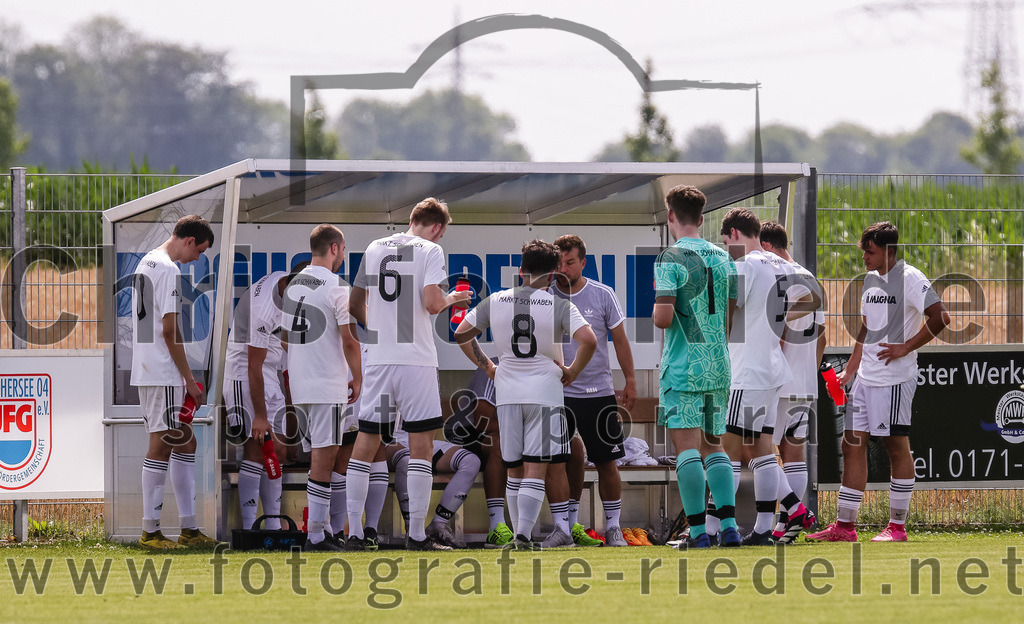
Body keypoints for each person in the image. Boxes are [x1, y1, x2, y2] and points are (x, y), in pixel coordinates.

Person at [807, 222, 949, 543]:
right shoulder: (870, 280)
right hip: (865, 380)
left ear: (889, 251)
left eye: (869, 252)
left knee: (895, 446)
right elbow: (866, 328)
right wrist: (850, 371)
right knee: (851, 444)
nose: (864, 258)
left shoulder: (911, 278)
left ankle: (897, 527)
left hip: (894, 380)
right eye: (863, 252)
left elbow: (941, 317)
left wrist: (905, 347)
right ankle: (845, 526)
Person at [346, 198, 472, 551]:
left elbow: (354, 304)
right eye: (442, 233)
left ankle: (353, 533)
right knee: (421, 446)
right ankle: (416, 535)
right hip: (415, 361)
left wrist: (380, 329)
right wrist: (454, 299)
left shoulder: (374, 247)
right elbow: (433, 303)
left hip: (380, 360)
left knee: (365, 444)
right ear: (437, 227)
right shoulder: (431, 250)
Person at [456, 239, 596, 550]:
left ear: (521, 270)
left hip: (507, 392)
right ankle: (522, 536)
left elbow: (461, 333)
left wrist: (489, 366)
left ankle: (521, 535)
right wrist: (572, 370)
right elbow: (589, 340)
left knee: (514, 467)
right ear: (553, 274)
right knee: (536, 466)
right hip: (544, 393)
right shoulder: (559, 305)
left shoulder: (496, 300)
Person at [651, 186, 741, 550]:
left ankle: (700, 532)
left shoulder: (670, 257)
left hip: (683, 365)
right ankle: (730, 527)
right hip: (717, 363)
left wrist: (659, 305)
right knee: (714, 446)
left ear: (670, 216)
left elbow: (662, 318)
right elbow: (730, 318)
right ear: (702, 219)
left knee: (687, 449)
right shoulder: (725, 258)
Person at [131, 214, 219, 549]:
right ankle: (150, 531)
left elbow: (159, 325)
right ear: (190, 240)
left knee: (186, 443)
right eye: (200, 251)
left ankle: (189, 529)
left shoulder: (146, 262)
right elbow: (169, 331)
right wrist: (189, 379)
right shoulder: (168, 268)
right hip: (162, 371)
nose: (197, 258)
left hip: (150, 367)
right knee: (161, 443)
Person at [546, 234, 637, 548]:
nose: (563, 269)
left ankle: (613, 528)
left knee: (606, 462)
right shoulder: (544, 295)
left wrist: (631, 380)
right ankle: (564, 528)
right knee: (557, 462)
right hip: (557, 394)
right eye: (559, 263)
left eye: (570, 262)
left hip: (598, 393)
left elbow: (620, 340)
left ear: (583, 263)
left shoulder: (603, 294)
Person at [280, 224, 362, 551]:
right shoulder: (337, 286)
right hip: (326, 385)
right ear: (334, 248)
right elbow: (350, 340)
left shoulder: (293, 285)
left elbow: (285, 339)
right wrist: (358, 377)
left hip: (301, 385)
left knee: (320, 458)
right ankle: (315, 534)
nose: (343, 256)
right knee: (323, 461)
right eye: (343, 249)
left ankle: (323, 528)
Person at [223, 262, 307, 533]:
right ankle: (251, 529)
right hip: (243, 373)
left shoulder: (288, 284)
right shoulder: (263, 306)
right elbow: (253, 365)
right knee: (257, 449)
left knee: (278, 450)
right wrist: (259, 416)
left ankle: (272, 525)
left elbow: (285, 346)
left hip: (268, 372)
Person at [758, 221, 824, 543]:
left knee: (759, 449)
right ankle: (786, 526)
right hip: (805, 380)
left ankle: (790, 513)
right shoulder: (809, 277)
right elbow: (822, 335)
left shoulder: (779, 277)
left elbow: (779, 330)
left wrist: (776, 367)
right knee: (793, 452)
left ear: (766, 246)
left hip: (780, 380)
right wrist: (809, 370)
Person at [446, 361, 515, 548]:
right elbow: (482, 422)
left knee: (571, 445)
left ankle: (566, 525)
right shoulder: (494, 367)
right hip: (467, 433)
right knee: (499, 442)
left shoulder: (542, 368)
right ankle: (496, 526)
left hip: (511, 432)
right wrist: (523, 427)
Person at [387, 425, 481, 548]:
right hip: (392, 440)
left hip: (425, 440)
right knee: (407, 460)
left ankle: (438, 525)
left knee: (471, 461)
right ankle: (412, 530)